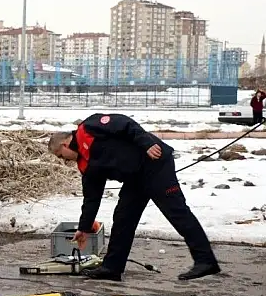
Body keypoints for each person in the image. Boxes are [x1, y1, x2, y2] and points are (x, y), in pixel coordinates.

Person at [47, 113, 220, 281]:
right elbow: (91, 198)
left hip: (155, 163)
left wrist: (146, 143)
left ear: (64, 144)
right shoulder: (86, 165)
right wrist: (84, 228)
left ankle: (205, 261)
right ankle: (112, 268)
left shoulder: (89, 127)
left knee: (177, 212)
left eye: (61, 156)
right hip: (135, 179)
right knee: (123, 218)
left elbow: (124, 123)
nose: (64, 161)